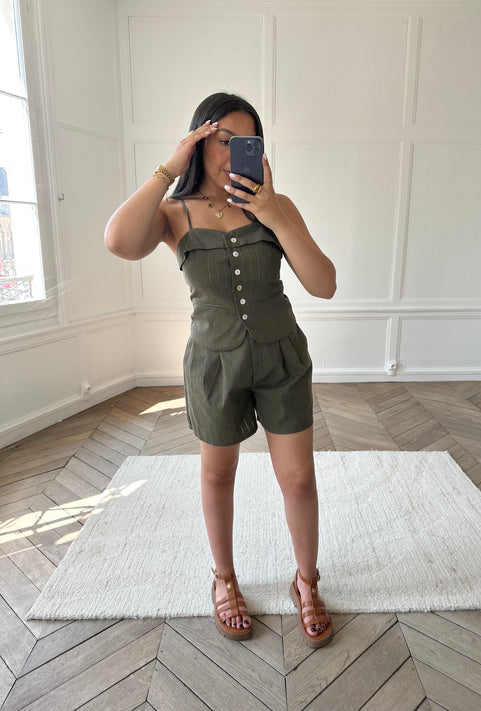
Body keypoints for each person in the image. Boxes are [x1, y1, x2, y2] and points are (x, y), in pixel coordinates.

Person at [105, 92, 337, 648]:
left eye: (246, 143)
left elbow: (324, 284)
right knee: (217, 475)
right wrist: (170, 165)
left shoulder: (277, 205)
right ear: (199, 142)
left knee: (299, 478)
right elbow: (118, 241)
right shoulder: (172, 215)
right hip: (213, 363)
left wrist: (273, 212)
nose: (233, 153)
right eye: (222, 141)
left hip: (282, 356)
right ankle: (225, 579)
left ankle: (307, 581)